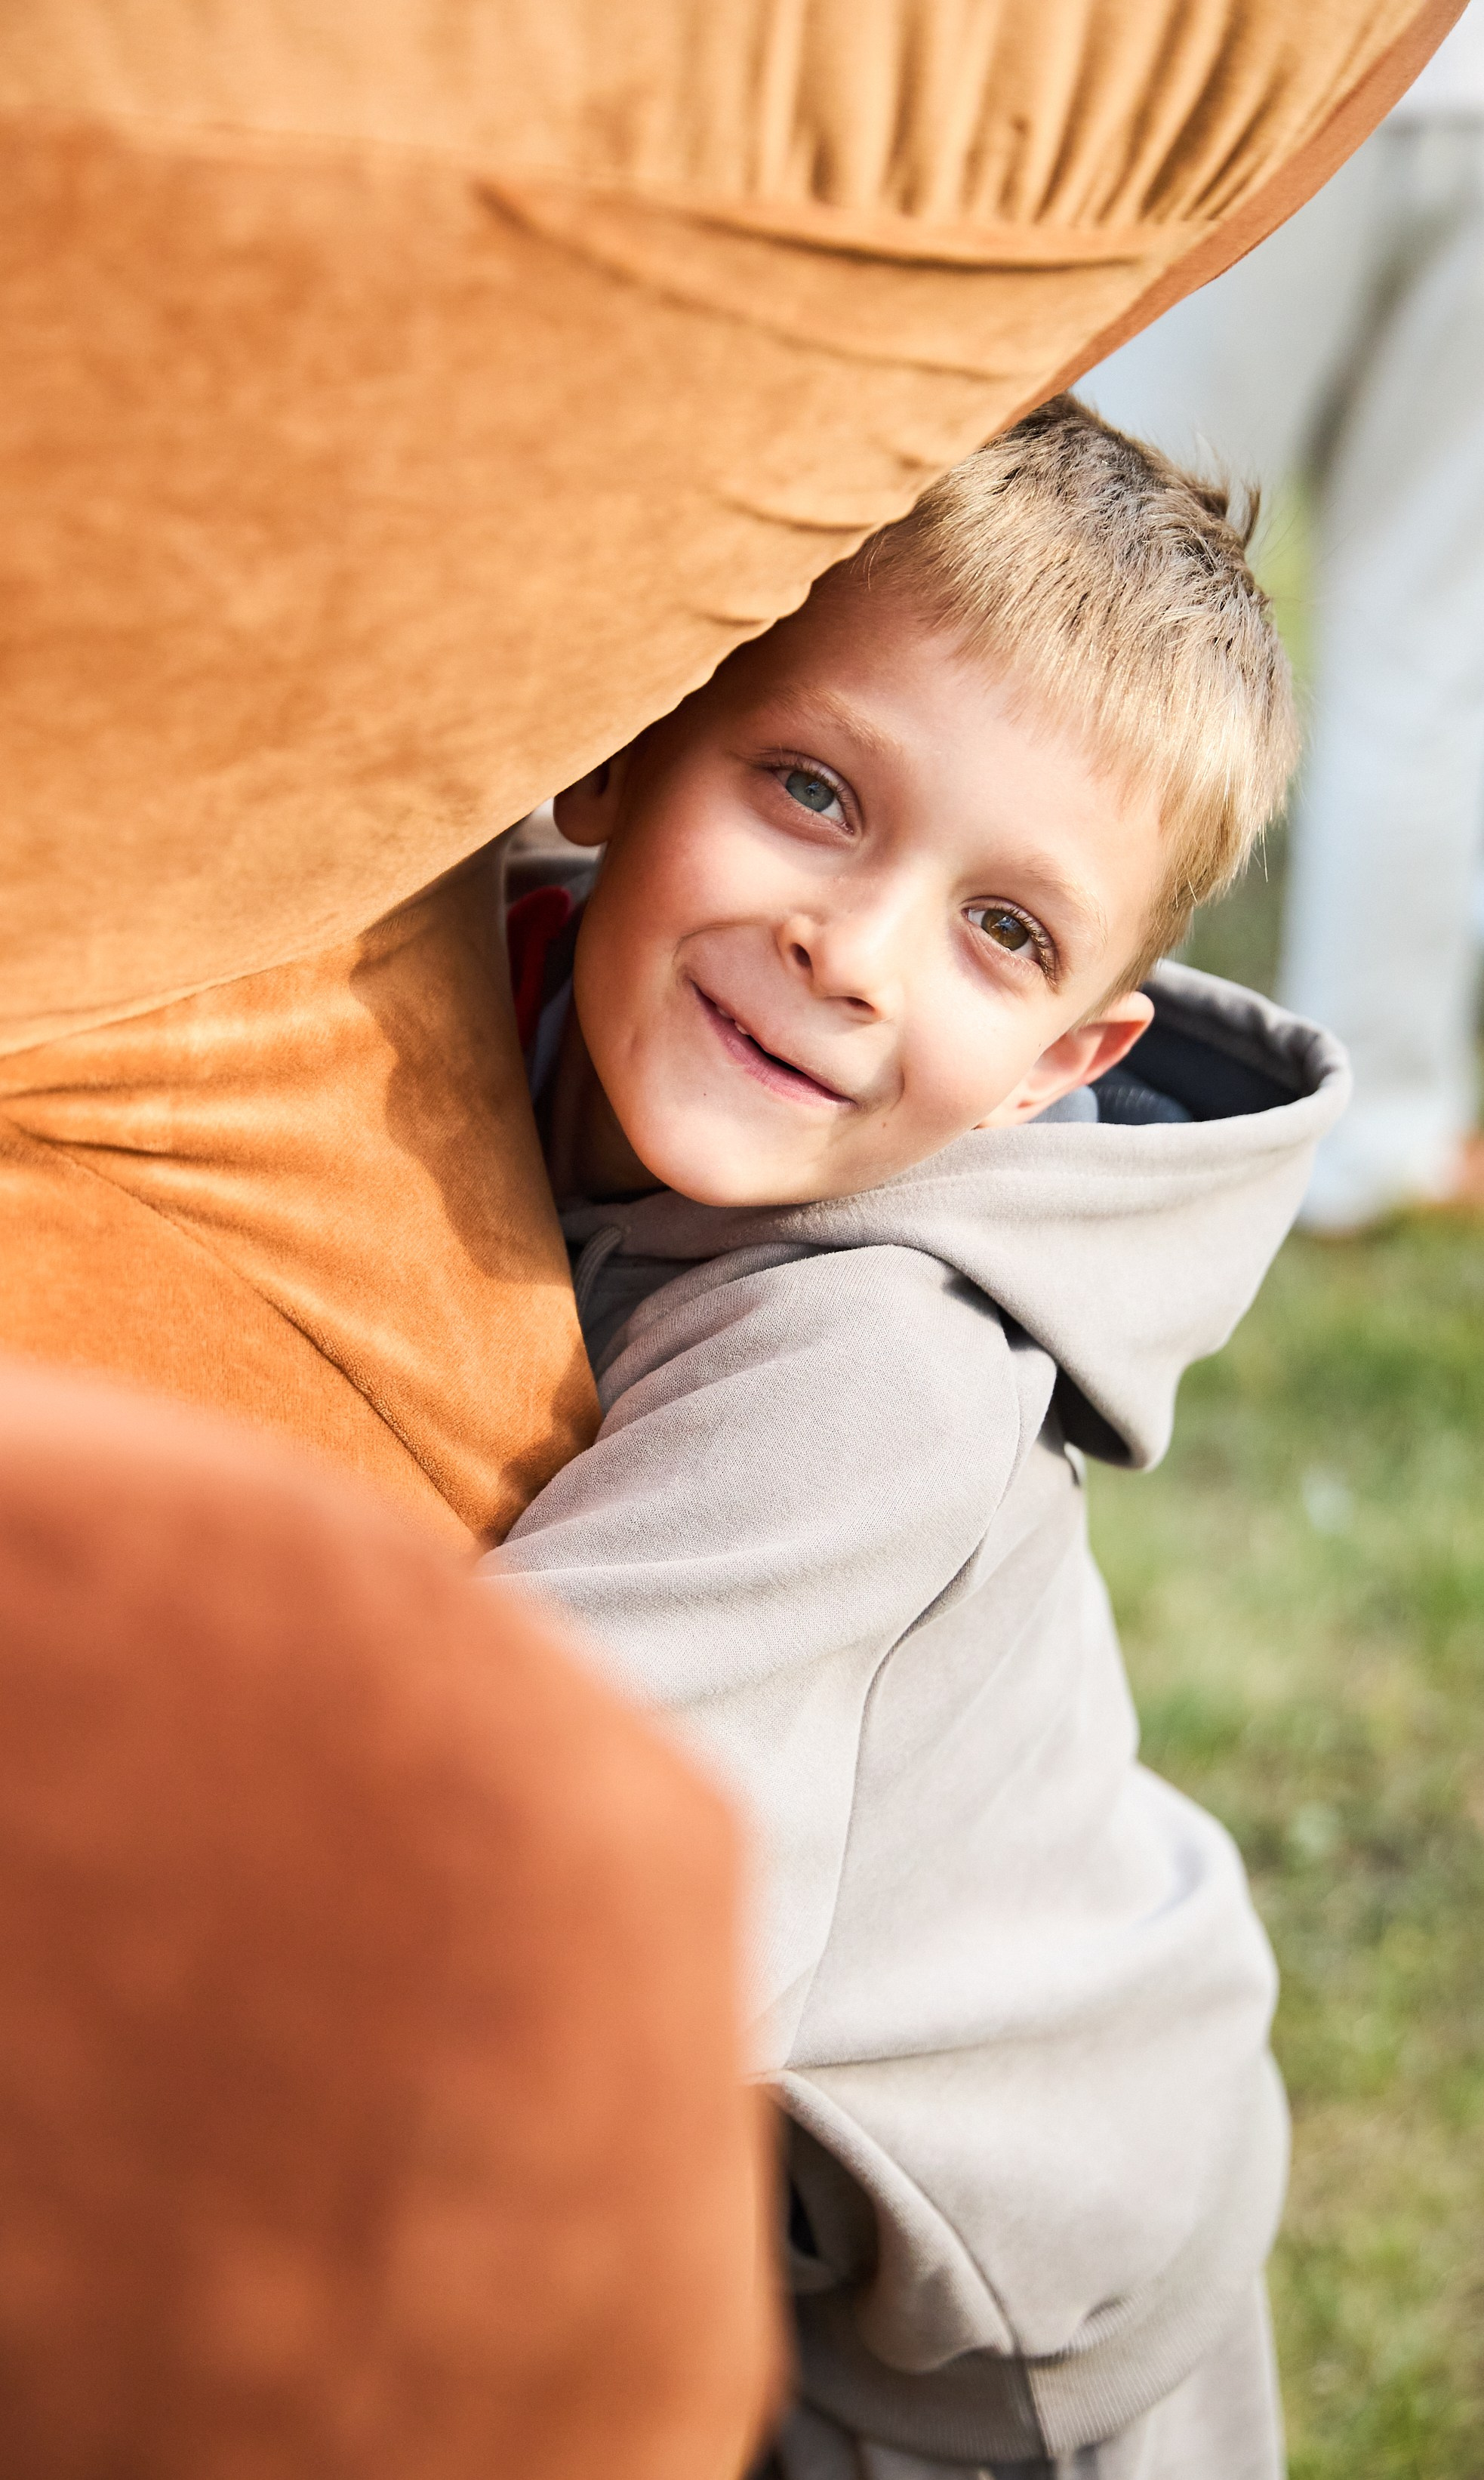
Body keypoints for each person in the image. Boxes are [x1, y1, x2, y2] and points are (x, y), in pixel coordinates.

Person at [484, 398, 1349, 2478]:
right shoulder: (480, 978)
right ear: (623, 742)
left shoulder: (865, 1385)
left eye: (1003, 928)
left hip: (993, 2316)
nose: (847, 951)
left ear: (1062, 1063)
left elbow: (468, 1817)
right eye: (807, 789)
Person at [1083, 2, 1484, 1232]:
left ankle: (1073, 1090)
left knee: (1105, 591)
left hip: (1257, 62)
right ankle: (1376, 1136)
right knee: (1429, 654)